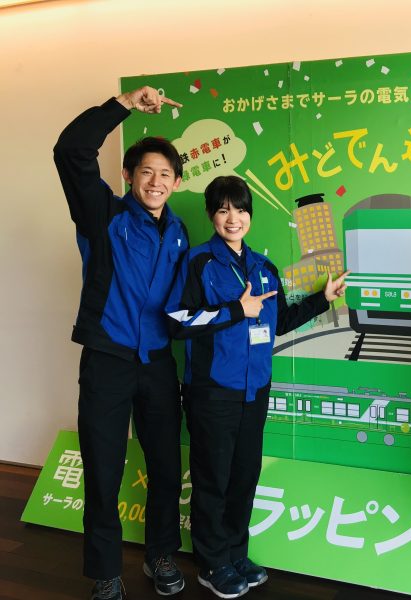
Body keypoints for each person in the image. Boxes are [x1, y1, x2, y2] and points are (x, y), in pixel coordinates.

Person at [165, 175, 348, 598]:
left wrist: (323, 298)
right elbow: (176, 321)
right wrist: (235, 309)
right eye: (223, 209)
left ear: (250, 214)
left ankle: (234, 553)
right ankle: (212, 563)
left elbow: (279, 322)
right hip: (212, 391)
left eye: (241, 209)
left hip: (255, 390)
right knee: (212, 478)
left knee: (244, 476)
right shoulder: (198, 262)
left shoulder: (264, 267)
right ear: (211, 214)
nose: (233, 218)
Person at [54, 86, 189, 600]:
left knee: (166, 466)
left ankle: (160, 555)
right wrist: (124, 104)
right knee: (104, 467)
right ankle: (106, 572)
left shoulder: (180, 233)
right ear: (130, 176)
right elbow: (70, 150)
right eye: (146, 172)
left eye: (165, 174)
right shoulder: (103, 214)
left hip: (157, 363)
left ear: (177, 182)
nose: (156, 182)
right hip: (108, 358)